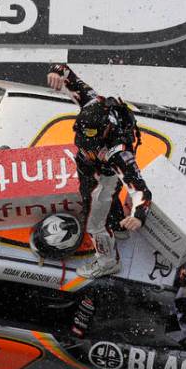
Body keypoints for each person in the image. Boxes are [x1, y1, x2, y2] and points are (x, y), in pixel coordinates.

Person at [46, 64, 153, 278]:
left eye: (91, 137)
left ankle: (107, 262)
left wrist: (139, 215)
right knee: (108, 200)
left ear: (104, 131)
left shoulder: (118, 154)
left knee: (93, 224)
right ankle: (117, 226)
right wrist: (55, 72)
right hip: (91, 171)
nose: (84, 139)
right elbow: (66, 72)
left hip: (102, 177)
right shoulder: (92, 101)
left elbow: (141, 191)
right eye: (81, 133)